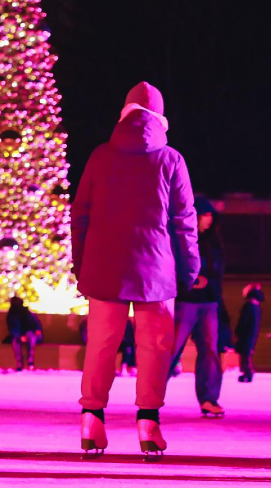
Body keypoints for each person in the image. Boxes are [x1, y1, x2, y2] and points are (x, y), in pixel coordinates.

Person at [71, 82, 199, 459]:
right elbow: (184, 221)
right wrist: (189, 269)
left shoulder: (100, 156)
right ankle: (148, 422)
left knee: (101, 345)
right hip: (156, 270)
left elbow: (80, 215)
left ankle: (92, 417)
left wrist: (82, 264)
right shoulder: (171, 160)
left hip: (104, 267)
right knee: (154, 347)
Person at [169, 197, 226, 418]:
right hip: (186, 301)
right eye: (205, 215)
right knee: (171, 349)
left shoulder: (214, 243)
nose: (208, 220)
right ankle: (152, 396)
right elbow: (174, 266)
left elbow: (218, 274)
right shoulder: (183, 239)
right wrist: (189, 282)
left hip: (209, 302)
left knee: (210, 351)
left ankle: (209, 399)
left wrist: (212, 288)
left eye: (211, 216)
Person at [235, 283, 264, 383]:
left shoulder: (249, 305)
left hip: (246, 333)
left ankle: (248, 372)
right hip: (253, 332)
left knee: (245, 352)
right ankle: (247, 372)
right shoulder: (257, 305)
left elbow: (243, 321)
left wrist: (237, 332)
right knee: (247, 352)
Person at [6, 297, 44, 371]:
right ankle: (20, 363)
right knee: (15, 341)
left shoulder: (27, 313)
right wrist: (20, 336)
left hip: (32, 334)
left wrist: (37, 330)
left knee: (31, 337)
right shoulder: (12, 315)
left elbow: (36, 324)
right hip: (19, 335)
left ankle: (30, 361)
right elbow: (13, 328)